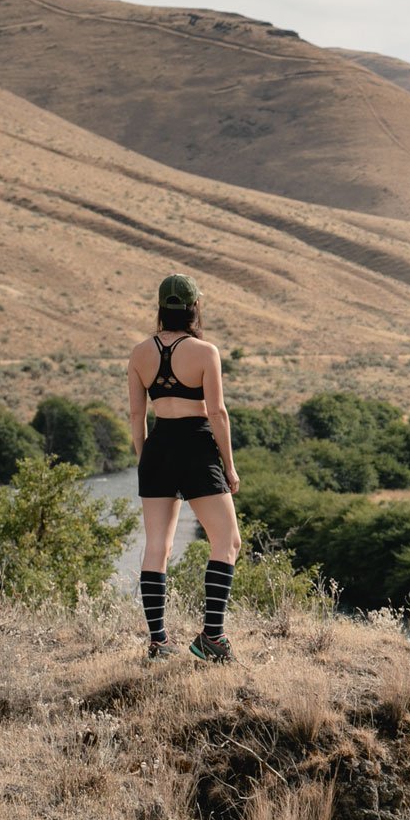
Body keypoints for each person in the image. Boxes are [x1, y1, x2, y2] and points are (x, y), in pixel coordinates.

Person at [127, 273, 241, 662]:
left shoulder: (139, 354)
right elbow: (218, 413)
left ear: (160, 308)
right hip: (196, 446)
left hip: (158, 447)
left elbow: (136, 415)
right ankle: (212, 636)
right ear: (195, 308)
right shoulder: (205, 352)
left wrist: (145, 459)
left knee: (157, 547)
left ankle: (159, 642)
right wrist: (229, 466)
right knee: (227, 542)